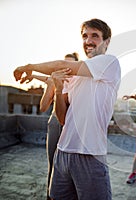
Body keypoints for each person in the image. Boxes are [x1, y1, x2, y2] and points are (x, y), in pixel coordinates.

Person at [13, 18, 121, 200]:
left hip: (90, 155)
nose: (88, 41)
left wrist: (29, 67)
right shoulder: (76, 76)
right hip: (63, 152)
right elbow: (62, 118)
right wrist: (58, 88)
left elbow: (62, 65)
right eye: (85, 36)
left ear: (107, 42)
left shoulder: (109, 63)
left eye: (95, 36)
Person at [23, 52, 79, 200]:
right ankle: (50, 196)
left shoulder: (79, 83)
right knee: (53, 164)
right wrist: (51, 85)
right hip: (56, 124)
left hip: (73, 127)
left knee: (72, 167)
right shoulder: (54, 81)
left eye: (69, 65)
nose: (65, 68)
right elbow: (43, 107)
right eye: (63, 64)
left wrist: (35, 75)